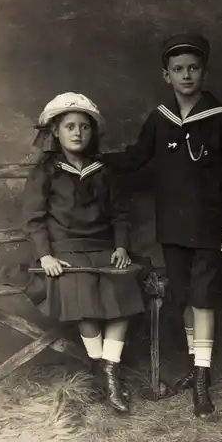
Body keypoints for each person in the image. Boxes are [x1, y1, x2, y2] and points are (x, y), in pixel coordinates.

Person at [95, 33, 222, 418]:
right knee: (183, 298)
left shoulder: (221, 119)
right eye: (178, 69)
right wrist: (96, 159)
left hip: (211, 226)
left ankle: (201, 379)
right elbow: (135, 158)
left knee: (204, 298)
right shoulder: (160, 120)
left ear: (204, 72)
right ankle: (198, 370)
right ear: (167, 75)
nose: (187, 75)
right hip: (173, 226)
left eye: (194, 68)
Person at [22, 92, 147, 414]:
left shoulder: (102, 170)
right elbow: (34, 219)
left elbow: (119, 214)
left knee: (122, 290)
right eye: (69, 127)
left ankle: (107, 369)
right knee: (83, 295)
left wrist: (120, 246)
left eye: (84, 127)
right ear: (56, 133)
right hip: (64, 250)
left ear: (92, 133)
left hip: (103, 247)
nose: (77, 133)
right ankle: (103, 369)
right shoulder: (46, 171)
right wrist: (45, 255)